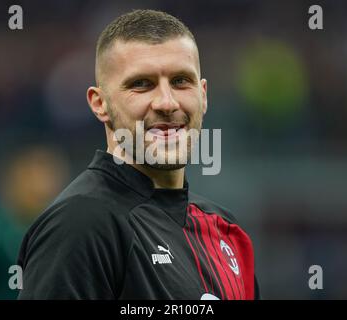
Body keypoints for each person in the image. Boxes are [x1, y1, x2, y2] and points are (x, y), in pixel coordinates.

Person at [17, 9, 260, 300]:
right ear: (100, 104)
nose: (167, 103)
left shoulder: (226, 231)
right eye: (141, 84)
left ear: (203, 95)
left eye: (181, 81)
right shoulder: (81, 224)